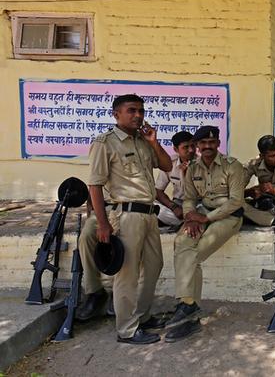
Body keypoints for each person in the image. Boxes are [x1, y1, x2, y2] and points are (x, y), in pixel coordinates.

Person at [86, 94, 173, 344]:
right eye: (131, 110)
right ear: (116, 114)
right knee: (127, 274)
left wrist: (155, 143)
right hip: (125, 215)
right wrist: (103, 224)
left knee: (154, 266)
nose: (138, 115)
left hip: (148, 214)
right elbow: (94, 185)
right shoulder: (105, 143)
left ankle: (142, 317)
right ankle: (127, 329)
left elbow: (167, 166)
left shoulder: (143, 141)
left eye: (141, 111)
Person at [165, 125, 244, 342]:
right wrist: (190, 216)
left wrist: (206, 219)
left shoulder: (232, 165)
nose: (207, 146)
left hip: (228, 217)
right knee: (182, 243)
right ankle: (189, 306)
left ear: (218, 144)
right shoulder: (192, 169)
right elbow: (189, 198)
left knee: (195, 254)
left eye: (212, 142)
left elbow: (236, 200)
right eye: (203, 143)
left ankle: (188, 308)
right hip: (201, 215)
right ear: (197, 146)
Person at [155, 131, 196, 232]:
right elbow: (158, 191)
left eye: (193, 146)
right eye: (186, 147)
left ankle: (182, 223)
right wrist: (173, 207)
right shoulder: (169, 163)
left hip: (196, 205)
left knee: (205, 211)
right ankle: (184, 223)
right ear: (176, 149)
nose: (191, 150)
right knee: (153, 206)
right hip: (178, 205)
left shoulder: (202, 163)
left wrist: (187, 174)